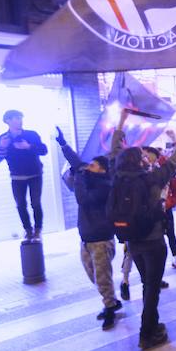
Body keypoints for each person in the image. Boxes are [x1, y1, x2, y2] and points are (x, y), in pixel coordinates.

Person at [110, 113, 176, 350]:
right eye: (142, 157)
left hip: (133, 241)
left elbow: (114, 150)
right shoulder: (152, 178)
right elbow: (175, 160)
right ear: (139, 163)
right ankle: (146, 334)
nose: (146, 158)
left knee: (147, 283)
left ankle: (153, 326)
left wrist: (120, 123)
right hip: (154, 240)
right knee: (152, 288)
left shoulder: (117, 176)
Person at [56, 128, 120, 331]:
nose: (88, 167)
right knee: (93, 274)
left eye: (93, 165)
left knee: (102, 277)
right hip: (86, 237)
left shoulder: (104, 186)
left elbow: (82, 199)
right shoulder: (91, 178)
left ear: (102, 170)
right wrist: (63, 144)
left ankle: (110, 308)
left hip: (101, 239)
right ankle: (111, 299)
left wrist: (79, 176)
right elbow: (77, 163)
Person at [0, 109, 48, 241]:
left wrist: (28, 146)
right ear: (8, 121)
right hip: (17, 177)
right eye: (16, 118)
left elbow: (44, 150)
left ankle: (38, 230)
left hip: (35, 175)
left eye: (20, 118)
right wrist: (2, 147)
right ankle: (28, 230)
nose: (20, 121)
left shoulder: (31, 134)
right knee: (20, 205)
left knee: (36, 203)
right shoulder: (1, 139)